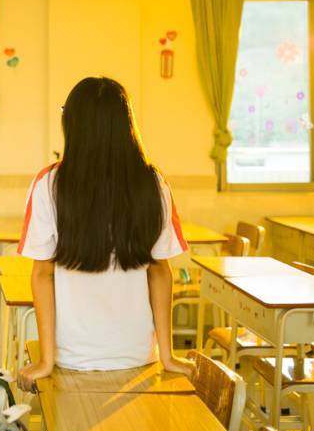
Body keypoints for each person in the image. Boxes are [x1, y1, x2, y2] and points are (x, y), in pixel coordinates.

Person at [16, 76, 194, 393]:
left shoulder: (48, 184)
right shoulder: (153, 183)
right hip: (137, 354)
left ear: (72, 124)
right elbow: (160, 272)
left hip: (70, 356)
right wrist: (167, 355)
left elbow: (42, 275)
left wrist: (46, 360)